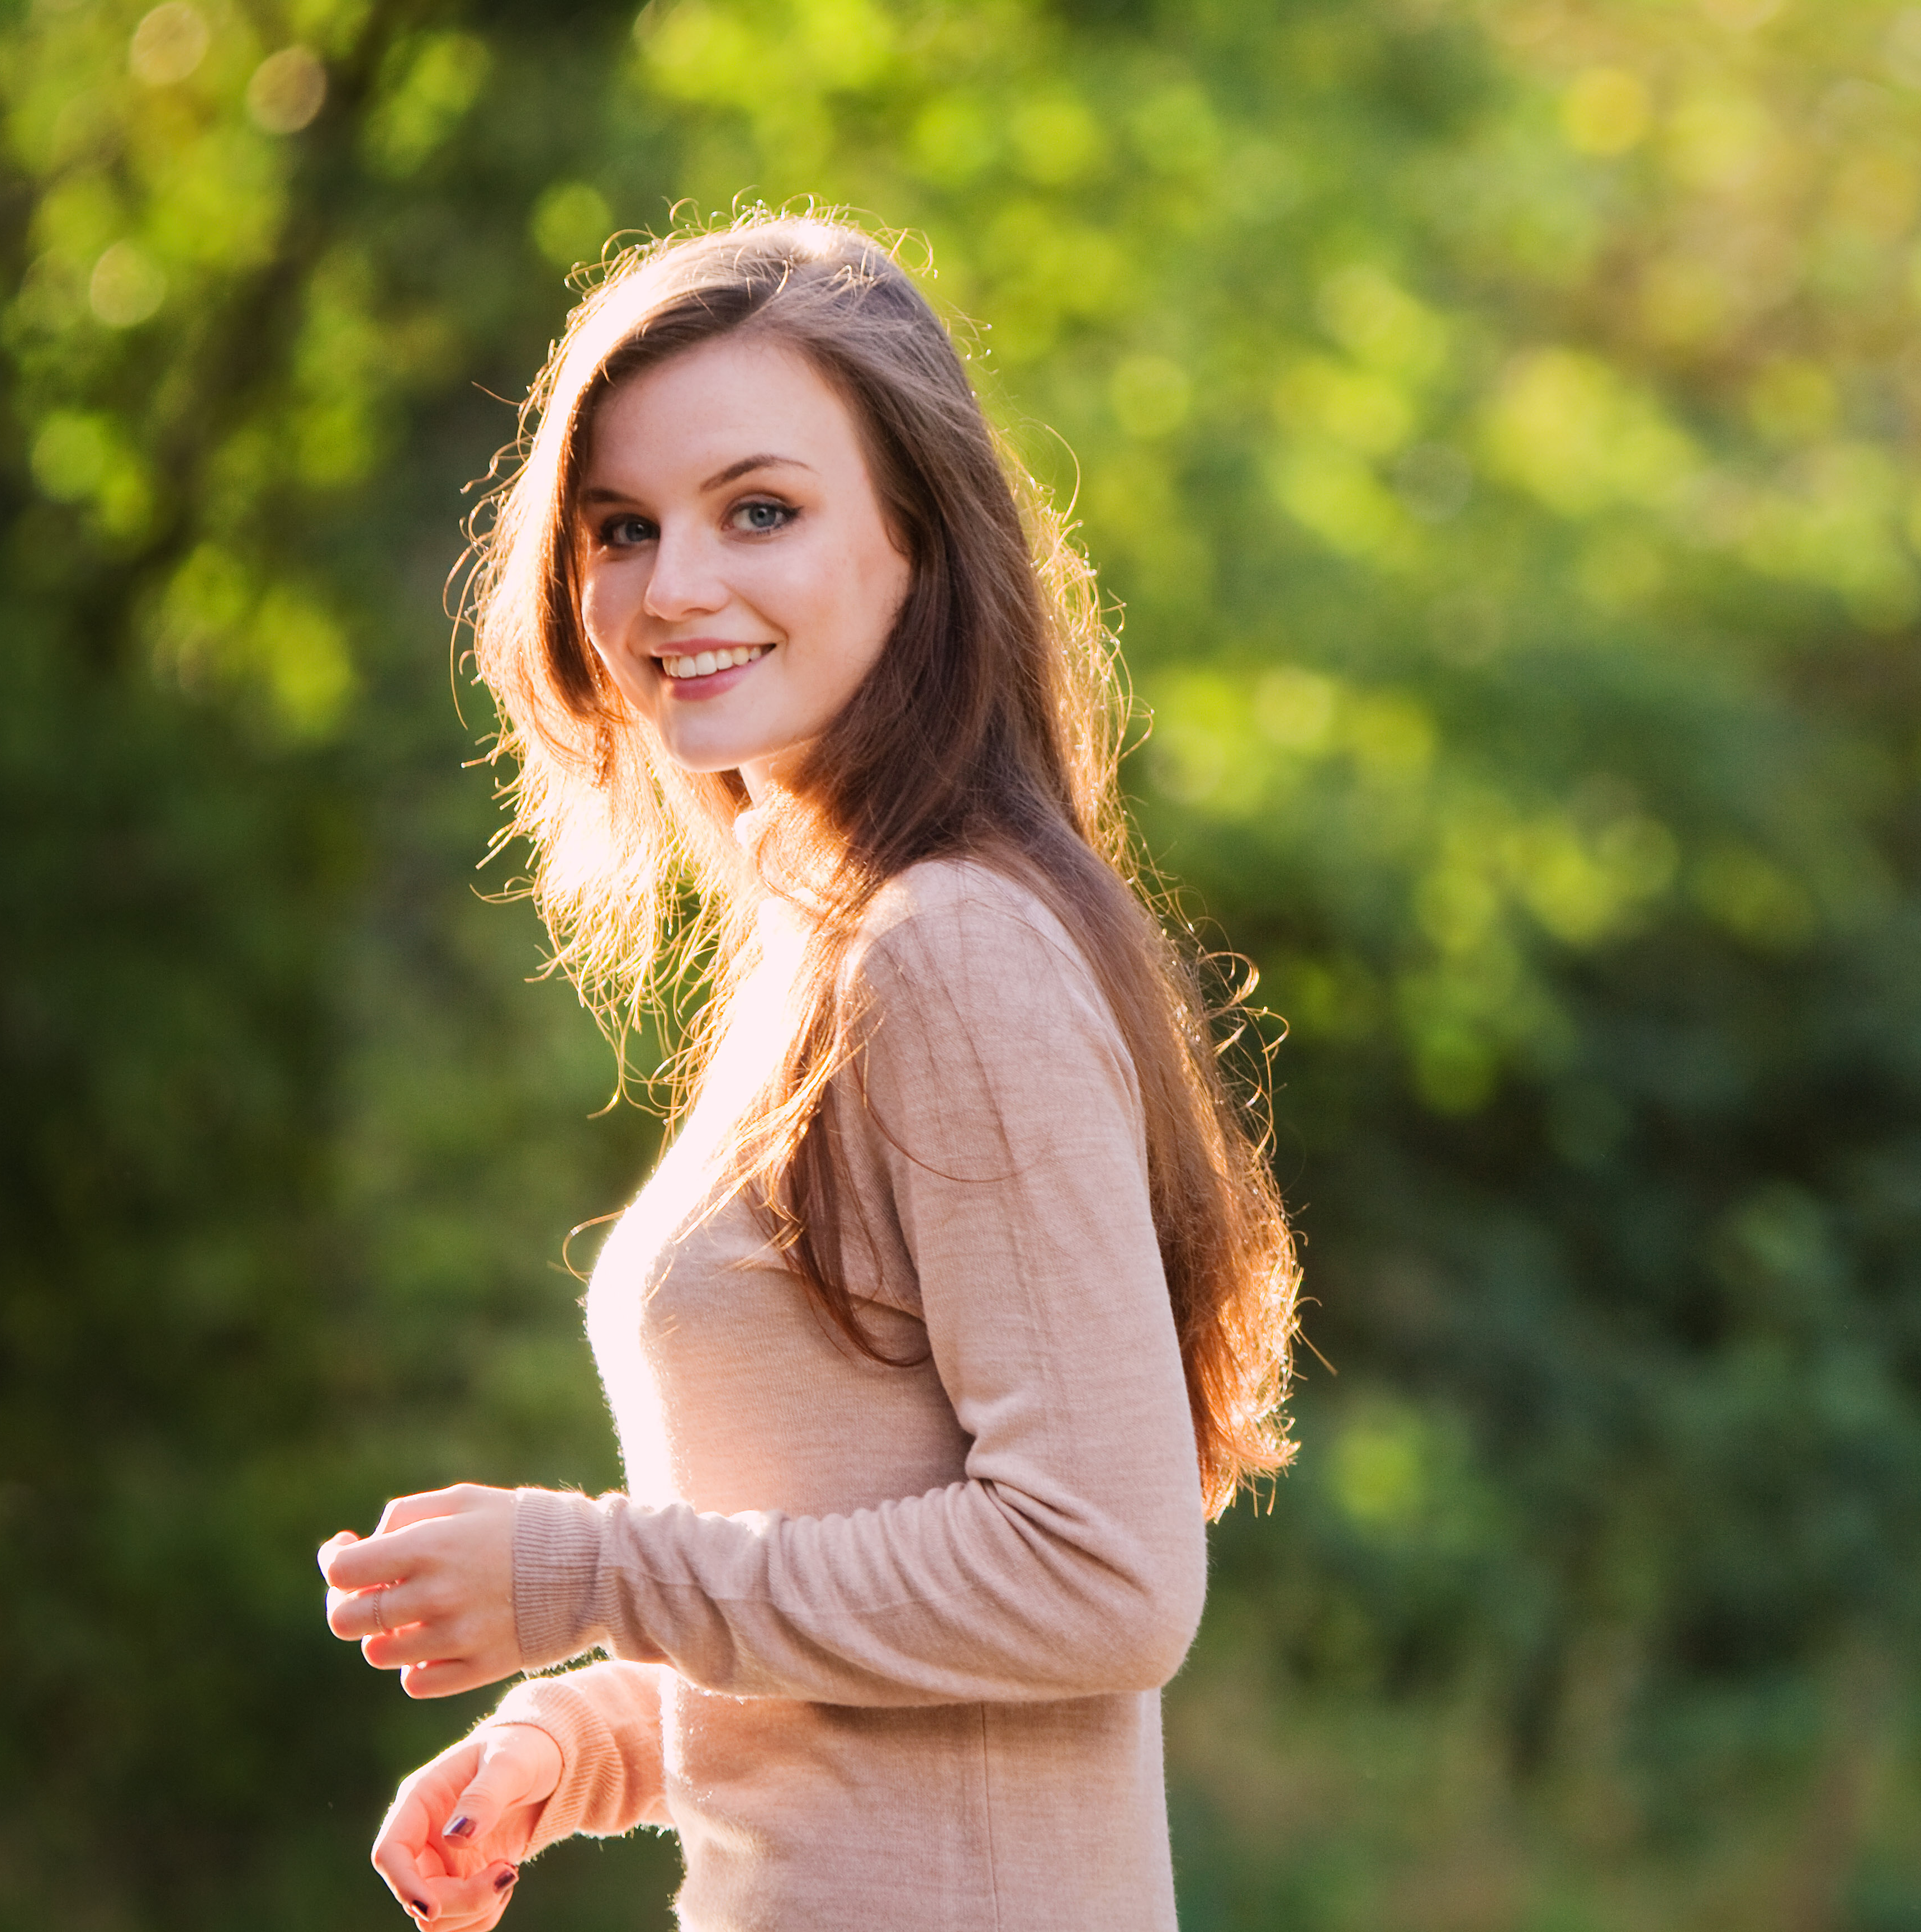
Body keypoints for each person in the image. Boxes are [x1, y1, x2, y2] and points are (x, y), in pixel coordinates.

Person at [312, 214, 1299, 1931]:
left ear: (915, 544)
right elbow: (871, 1611)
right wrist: (585, 1741)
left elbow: (1102, 1581)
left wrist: (584, 1569)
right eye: (623, 528)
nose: (671, 587)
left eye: (756, 510)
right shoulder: (827, 943)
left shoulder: (950, 949)